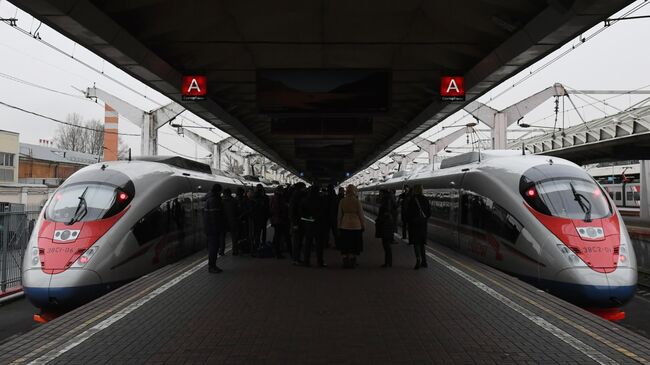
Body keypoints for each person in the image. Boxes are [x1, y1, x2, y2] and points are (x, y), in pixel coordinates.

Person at [337, 184, 365, 268]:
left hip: (344, 225)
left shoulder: (342, 201)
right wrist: (363, 225)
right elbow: (361, 214)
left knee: (345, 244)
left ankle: (345, 261)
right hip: (356, 226)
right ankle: (353, 262)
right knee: (354, 244)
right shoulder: (357, 201)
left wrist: (339, 225)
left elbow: (339, 215)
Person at [301, 185, 327, 267]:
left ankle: (306, 261)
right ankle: (320, 262)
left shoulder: (304, 199)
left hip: (308, 224)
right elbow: (324, 211)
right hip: (318, 224)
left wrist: (308, 218)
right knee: (319, 245)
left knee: (307, 244)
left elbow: (301, 212)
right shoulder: (321, 199)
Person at [406, 184, 431, 269]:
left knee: (416, 243)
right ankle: (424, 261)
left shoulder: (412, 199)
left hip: (414, 225)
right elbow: (429, 213)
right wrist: (423, 219)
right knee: (422, 243)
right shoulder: (425, 199)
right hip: (423, 225)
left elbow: (409, 213)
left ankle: (418, 260)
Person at [204, 184, 224, 273]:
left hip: (209, 228)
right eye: (221, 192)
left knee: (213, 247)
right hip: (213, 229)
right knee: (213, 248)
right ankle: (212, 266)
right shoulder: (214, 200)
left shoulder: (209, 198)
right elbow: (215, 217)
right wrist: (217, 229)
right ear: (218, 191)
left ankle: (212, 266)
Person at [375, 189, 397, 268]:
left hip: (385, 225)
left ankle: (388, 263)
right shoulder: (391, 199)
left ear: (383, 193)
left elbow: (385, 212)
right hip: (389, 224)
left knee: (386, 244)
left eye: (380, 193)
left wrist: (379, 219)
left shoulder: (386, 200)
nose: (379, 194)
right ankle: (388, 262)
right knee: (387, 244)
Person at [289, 182, 307, 265]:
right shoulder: (297, 197)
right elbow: (293, 211)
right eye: (304, 187)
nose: (305, 189)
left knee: (298, 241)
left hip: (298, 222)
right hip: (297, 222)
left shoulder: (296, 196)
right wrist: (295, 223)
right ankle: (296, 259)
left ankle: (297, 258)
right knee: (297, 241)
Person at [270, 186, 290, 258]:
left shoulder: (274, 197)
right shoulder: (278, 198)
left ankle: (276, 251)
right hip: (279, 220)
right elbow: (278, 209)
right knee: (278, 236)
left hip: (276, 220)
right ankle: (277, 253)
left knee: (277, 236)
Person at [251, 184, 270, 256]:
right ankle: (263, 244)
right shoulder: (265, 197)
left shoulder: (253, 197)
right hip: (263, 217)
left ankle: (256, 246)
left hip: (256, 218)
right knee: (263, 231)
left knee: (256, 232)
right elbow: (267, 208)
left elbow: (251, 209)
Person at [222, 188, 240, 255]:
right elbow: (238, 211)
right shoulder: (234, 201)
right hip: (233, 221)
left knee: (222, 237)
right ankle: (235, 251)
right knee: (234, 237)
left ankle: (221, 251)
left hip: (224, 222)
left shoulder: (222, 201)